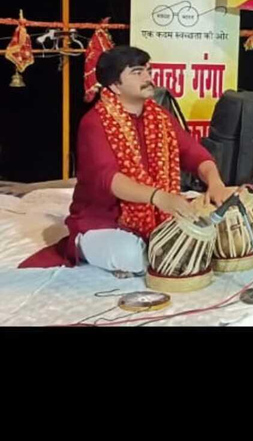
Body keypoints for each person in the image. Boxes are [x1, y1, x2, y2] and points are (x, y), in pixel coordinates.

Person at [21, 46, 229, 277]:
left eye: (148, 70)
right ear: (114, 85)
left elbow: (192, 152)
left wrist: (215, 181)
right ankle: (84, 245)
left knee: (210, 227)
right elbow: (108, 179)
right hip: (103, 220)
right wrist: (159, 197)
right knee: (133, 256)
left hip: (159, 215)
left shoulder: (160, 117)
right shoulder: (94, 123)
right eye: (137, 72)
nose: (149, 78)